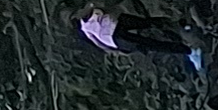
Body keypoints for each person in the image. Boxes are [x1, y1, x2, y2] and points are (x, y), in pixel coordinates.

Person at [75, 4, 204, 73]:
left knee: (148, 25)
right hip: (114, 37)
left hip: (116, 24)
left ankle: (181, 26)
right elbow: (99, 43)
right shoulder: (85, 28)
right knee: (150, 43)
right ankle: (189, 50)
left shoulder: (93, 6)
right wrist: (116, 51)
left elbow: (112, 7)